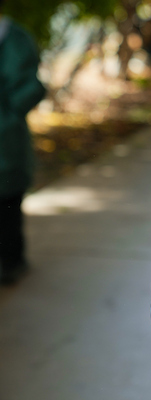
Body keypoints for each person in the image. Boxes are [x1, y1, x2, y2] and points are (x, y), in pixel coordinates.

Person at [0, 4, 46, 286]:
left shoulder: (16, 38)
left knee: (8, 202)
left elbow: (33, 86)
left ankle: (12, 261)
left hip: (7, 138)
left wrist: (9, 114)